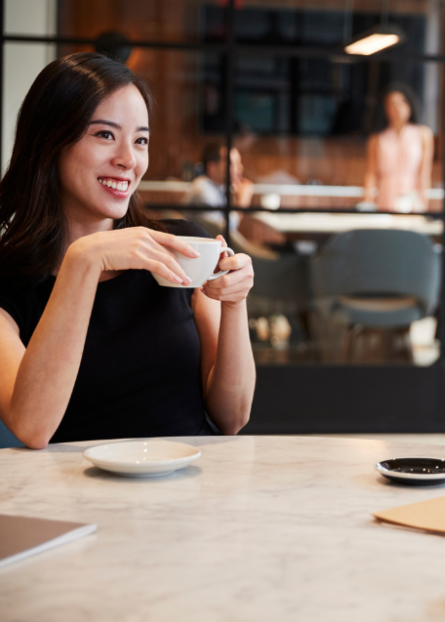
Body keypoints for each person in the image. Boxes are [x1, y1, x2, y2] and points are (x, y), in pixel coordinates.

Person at [0, 52, 256, 449]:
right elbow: (32, 427)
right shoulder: (8, 278)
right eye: (105, 135)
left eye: (140, 140)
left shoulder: (182, 245)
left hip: (193, 492)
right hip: (76, 501)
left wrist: (235, 303)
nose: (128, 160)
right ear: (50, 141)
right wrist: (84, 261)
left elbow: (233, 417)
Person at [362, 84, 434, 213]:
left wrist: (423, 205)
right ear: (385, 108)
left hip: (411, 196)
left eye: (402, 102)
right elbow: (371, 174)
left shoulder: (423, 134)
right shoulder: (377, 138)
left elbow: (424, 173)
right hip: (385, 194)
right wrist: (367, 203)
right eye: (392, 104)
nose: (397, 108)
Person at [187, 142, 254, 234]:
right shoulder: (202, 189)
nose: (240, 168)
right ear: (212, 167)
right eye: (233, 164)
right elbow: (221, 230)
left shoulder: (219, 188)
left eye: (239, 163)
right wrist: (241, 204)